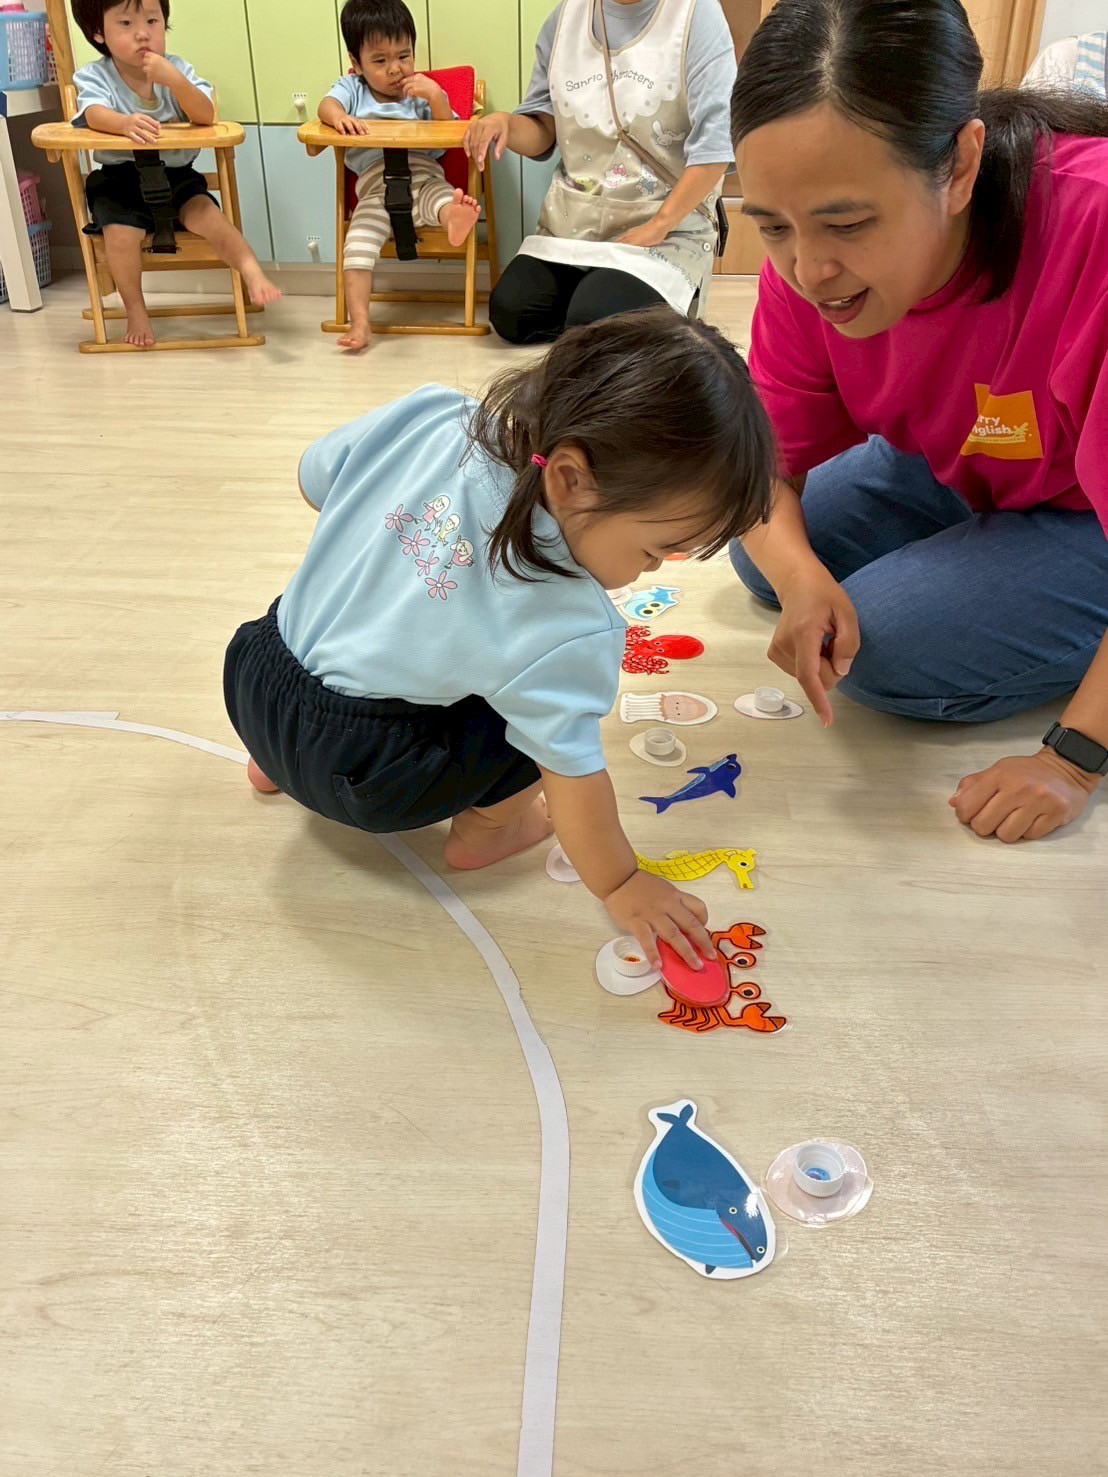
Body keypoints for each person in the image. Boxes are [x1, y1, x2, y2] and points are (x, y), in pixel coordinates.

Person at [224, 310, 775, 966]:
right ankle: (487, 832)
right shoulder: (569, 624)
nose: (652, 571)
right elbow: (572, 774)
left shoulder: (432, 415)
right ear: (570, 479)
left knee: (340, 602)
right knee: (535, 730)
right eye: (655, 550)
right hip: (363, 773)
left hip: (253, 679)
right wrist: (622, 882)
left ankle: (272, 762)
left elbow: (314, 480)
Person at [727, 0, 1108, 843]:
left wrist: (1074, 759)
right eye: (774, 227)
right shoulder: (804, 265)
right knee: (764, 559)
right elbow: (762, 470)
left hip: (1088, 510)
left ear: (961, 165)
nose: (809, 269)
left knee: (884, 650)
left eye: (848, 223)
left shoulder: (1095, 232)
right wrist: (799, 577)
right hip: (963, 457)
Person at [463, 0, 736, 343]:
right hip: (575, 224)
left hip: (664, 225)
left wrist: (659, 225)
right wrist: (505, 124)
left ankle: (627, 299)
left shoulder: (697, 14)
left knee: (595, 322)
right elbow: (543, 129)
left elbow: (715, 145)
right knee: (513, 313)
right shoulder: (565, 18)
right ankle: (599, 295)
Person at [70, 0, 279, 349]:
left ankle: (250, 270)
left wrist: (177, 82)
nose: (142, 33)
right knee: (119, 236)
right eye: (126, 24)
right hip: (119, 181)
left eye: (152, 21)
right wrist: (123, 123)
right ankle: (136, 310)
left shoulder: (178, 69)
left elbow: (205, 115)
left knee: (211, 217)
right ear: (98, 33)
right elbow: (92, 113)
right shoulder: (94, 75)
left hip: (178, 176)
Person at [318, 0, 481, 352]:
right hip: (374, 191)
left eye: (404, 56)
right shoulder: (352, 90)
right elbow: (326, 106)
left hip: (424, 177)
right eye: (380, 61)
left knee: (441, 198)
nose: (395, 69)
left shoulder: (419, 94)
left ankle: (454, 217)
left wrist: (436, 96)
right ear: (356, 63)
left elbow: (451, 132)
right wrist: (338, 117)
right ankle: (360, 322)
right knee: (356, 247)